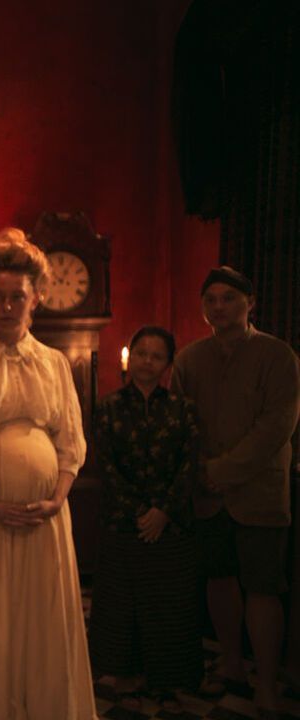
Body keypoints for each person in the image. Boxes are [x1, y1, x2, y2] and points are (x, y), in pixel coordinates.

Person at [0, 228, 96, 719]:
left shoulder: (55, 364)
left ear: (37, 297)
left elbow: (71, 443)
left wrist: (57, 498)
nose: (7, 306)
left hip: (43, 521)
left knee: (41, 619)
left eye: (18, 296)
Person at [171, 266, 300, 718]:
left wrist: (221, 470)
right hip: (207, 496)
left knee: (263, 587)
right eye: (211, 299)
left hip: (260, 494)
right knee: (219, 579)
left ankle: (265, 683)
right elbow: (180, 424)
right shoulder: (189, 359)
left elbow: (277, 426)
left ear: (250, 302)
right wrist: (199, 473)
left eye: (228, 298)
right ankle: (231, 664)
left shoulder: (278, 356)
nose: (219, 306)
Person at [88, 326, 202, 713]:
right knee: (123, 606)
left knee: (169, 605)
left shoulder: (183, 409)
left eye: (156, 356)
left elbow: (189, 464)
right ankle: (125, 680)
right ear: (130, 356)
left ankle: (168, 682)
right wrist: (141, 513)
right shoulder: (107, 407)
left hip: (171, 525)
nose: (147, 361)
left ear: (168, 364)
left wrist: (163, 511)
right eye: (141, 353)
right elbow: (106, 465)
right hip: (123, 524)